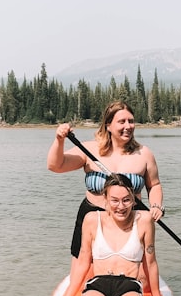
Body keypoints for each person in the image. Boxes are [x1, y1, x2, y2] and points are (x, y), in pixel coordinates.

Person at [43, 174, 175, 296]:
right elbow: (82, 262)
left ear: (134, 200)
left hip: (129, 285)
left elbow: (150, 263)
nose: (121, 206)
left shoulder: (143, 220)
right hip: (97, 284)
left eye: (126, 200)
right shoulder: (92, 219)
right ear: (105, 199)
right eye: (114, 200)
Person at [46, 101, 165, 262]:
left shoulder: (144, 154)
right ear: (108, 125)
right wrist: (59, 140)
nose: (128, 126)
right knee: (84, 266)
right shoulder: (89, 149)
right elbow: (55, 165)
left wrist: (156, 205)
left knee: (132, 268)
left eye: (131, 121)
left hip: (130, 219)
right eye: (121, 122)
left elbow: (154, 185)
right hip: (92, 218)